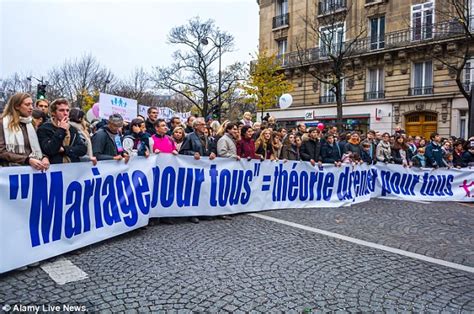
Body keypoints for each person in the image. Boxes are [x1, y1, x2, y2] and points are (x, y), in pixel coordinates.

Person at [179, 117, 217, 223]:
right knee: (193, 191)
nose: (204, 126)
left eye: (205, 124)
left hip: (204, 168)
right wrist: (192, 154)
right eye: (202, 124)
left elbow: (210, 150)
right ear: (196, 126)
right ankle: (192, 214)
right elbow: (182, 152)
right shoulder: (190, 137)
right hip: (193, 168)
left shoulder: (207, 138)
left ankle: (203, 212)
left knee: (203, 190)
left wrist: (212, 153)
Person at [0, 93, 49, 170]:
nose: (31, 108)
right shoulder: (3, 123)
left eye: (32, 104)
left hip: (31, 170)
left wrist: (44, 157)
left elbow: (37, 147)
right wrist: (27, 160)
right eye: (27, 105)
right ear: (16, 106)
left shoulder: (31, 123)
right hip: (10, 171)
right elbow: (1, 151)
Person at [37, 98, 87, 164]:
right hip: (54, 168)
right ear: (53, 113)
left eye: (67, 110)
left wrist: (64, 149)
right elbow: (49, 150)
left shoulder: (72, 129)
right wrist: (61, 130)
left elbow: (82, 149)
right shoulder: (44, 129)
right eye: (61, 110)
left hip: (72, 167)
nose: (65, 113)